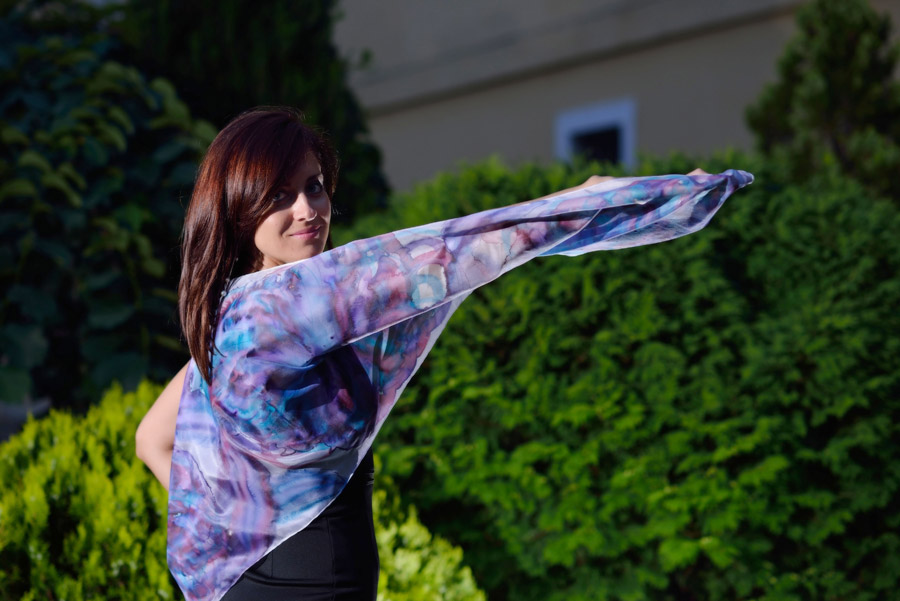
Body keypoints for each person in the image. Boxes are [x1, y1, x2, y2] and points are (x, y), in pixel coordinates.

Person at [135, 106, 752, 601]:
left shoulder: (229, 319)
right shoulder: (289, 305)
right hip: (315, 584)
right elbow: (450, 253)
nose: (307, 210)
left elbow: (152, 439)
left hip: (246, 582)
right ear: (238, 206)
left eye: (314, 187)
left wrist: (239, 518)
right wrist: (582, 201)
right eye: (279, 195)